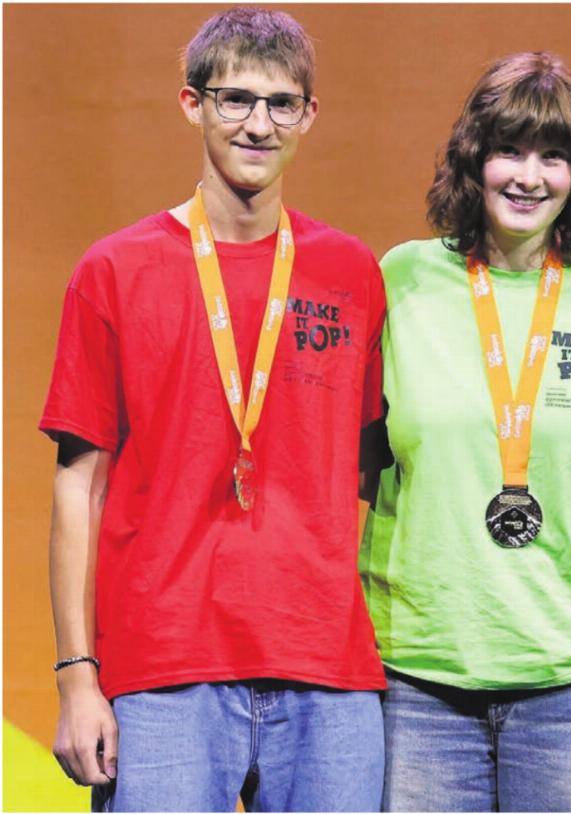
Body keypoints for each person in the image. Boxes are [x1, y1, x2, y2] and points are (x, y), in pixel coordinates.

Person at [41, 8, 386, 811]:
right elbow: (77, 487)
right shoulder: (114, 271)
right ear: (192, 103)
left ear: (309, 115)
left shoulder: (350, 273)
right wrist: (76, 676)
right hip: (164, 671)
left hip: (327, 672)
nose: (258, 125)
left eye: (281, 103)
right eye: (236, 99)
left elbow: (372, 475)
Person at [358, 51, 571, 812]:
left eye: (553, 156)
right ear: (474, 160)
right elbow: (351, 464)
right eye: (509, 150)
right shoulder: (401, 281)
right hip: (418, 683)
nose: (529, 177)